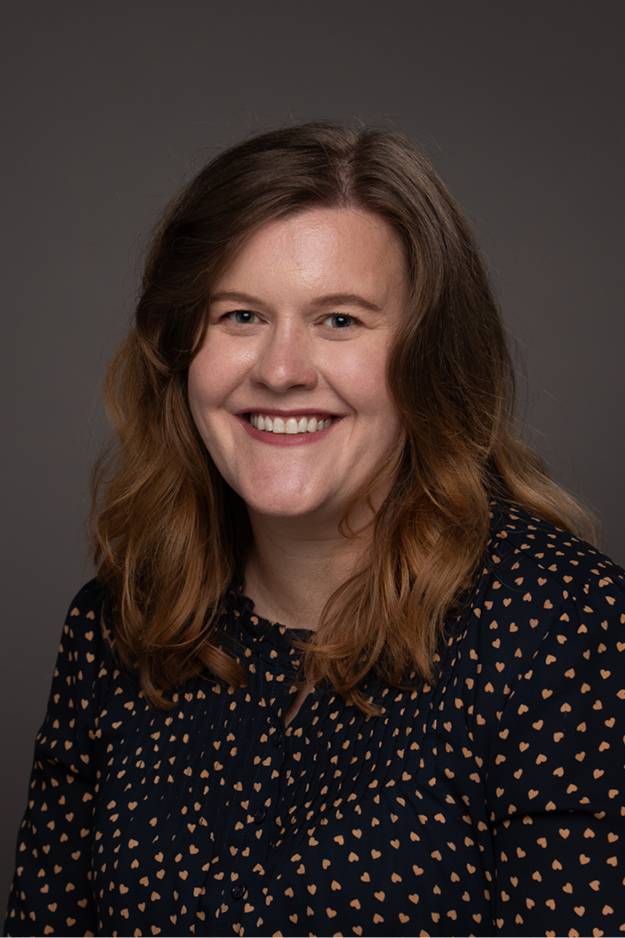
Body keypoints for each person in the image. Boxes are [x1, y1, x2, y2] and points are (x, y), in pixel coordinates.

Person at [3, 120, 624, 938]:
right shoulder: (116, 627)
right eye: (240, 316)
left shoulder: (560, 627)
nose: (281, 370)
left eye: (339, 320)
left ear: (428, 358)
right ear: (180, 350)